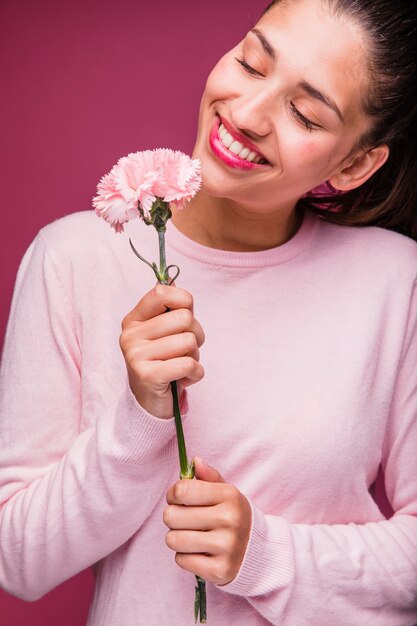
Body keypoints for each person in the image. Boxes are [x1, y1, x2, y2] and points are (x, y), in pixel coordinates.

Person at [1, 0, 417, 624]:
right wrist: (137, 415)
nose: (246, 115)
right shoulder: (72, 259)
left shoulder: (395, 280)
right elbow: (17, 562)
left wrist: (266, 555)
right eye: (251, 64)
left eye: (304, 113)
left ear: (355, 163)